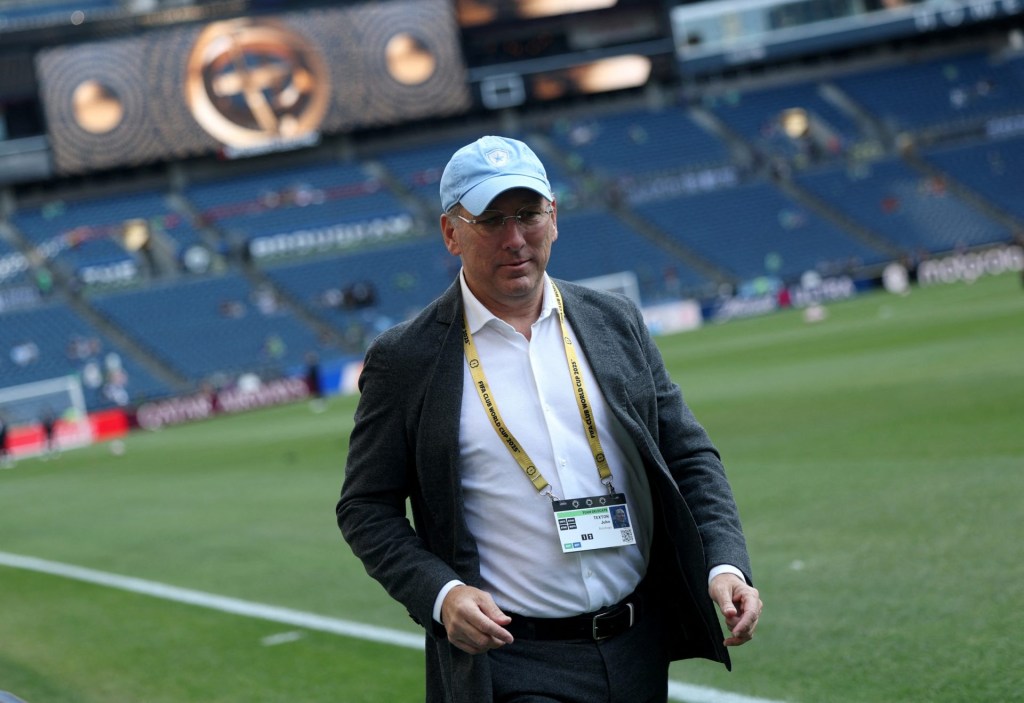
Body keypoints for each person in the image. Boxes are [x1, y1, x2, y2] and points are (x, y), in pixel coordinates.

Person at [336, 135, 761, 703]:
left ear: (553, 218)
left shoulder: (615, 321)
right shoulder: (406, 359)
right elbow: (365, 507)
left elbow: (688, 455)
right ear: (450, 232)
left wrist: (724, 565)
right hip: (514, 664)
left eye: (528, 214)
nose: (515, 239)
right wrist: (442, 594)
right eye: (490, 220)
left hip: (638, 646)